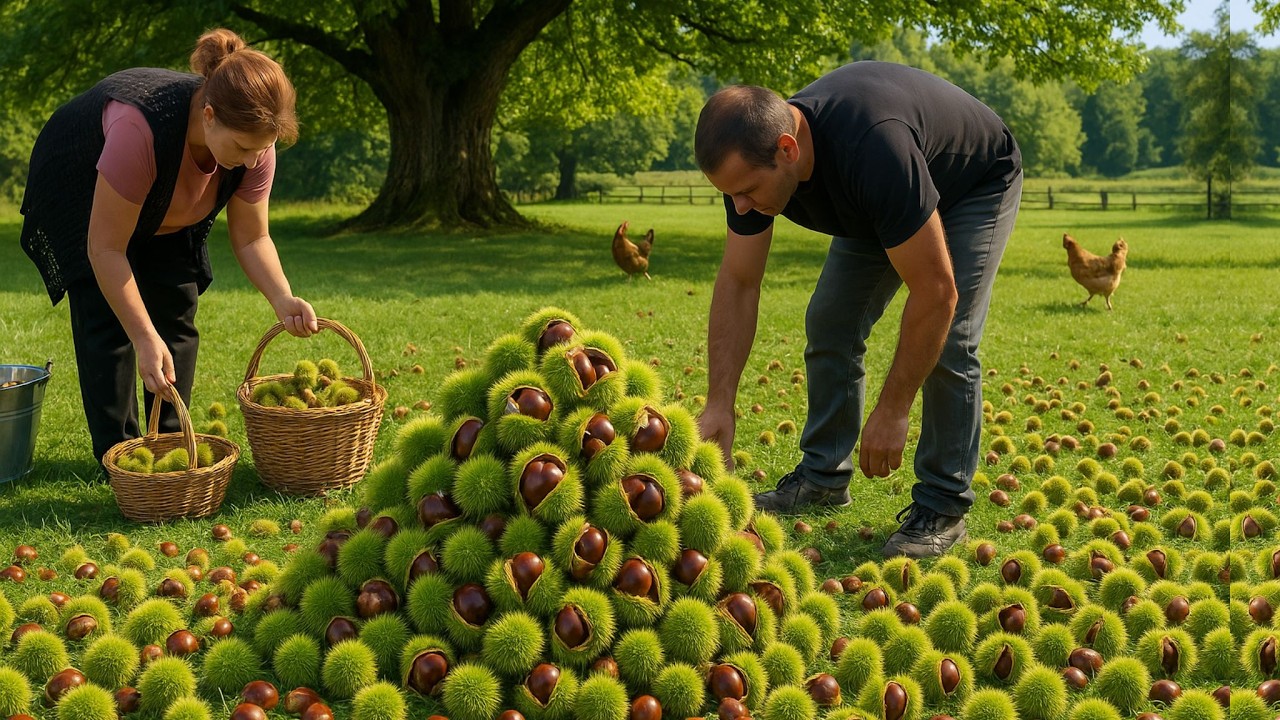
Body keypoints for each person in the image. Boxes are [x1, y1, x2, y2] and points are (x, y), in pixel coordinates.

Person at [694, 61, 1022, 559]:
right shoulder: (750, 164)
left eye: (746, 192)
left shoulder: (872, 148)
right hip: (885, 200)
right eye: (729, 193)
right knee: (831, 320)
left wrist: (893, 409)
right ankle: (823, 477)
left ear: (787, 149)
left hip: (972, 182)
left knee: (951, 339)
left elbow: (936, 293)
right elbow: (739, 283)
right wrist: (720, 401)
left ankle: (943, 504)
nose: (739, 206)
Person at [19, 28, 318, 468]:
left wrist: (282, 297)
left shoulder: (255, 144)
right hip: (82, 182)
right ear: (209, 116)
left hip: (171, 206)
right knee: (108, 322)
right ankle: (120, 456)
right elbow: (105, 249)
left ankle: (172, 443)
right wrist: (142, 336)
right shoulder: (138, 130)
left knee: (177, 308)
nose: (253, 160)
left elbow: (253, 236)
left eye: (263, 149)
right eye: (243, 148)